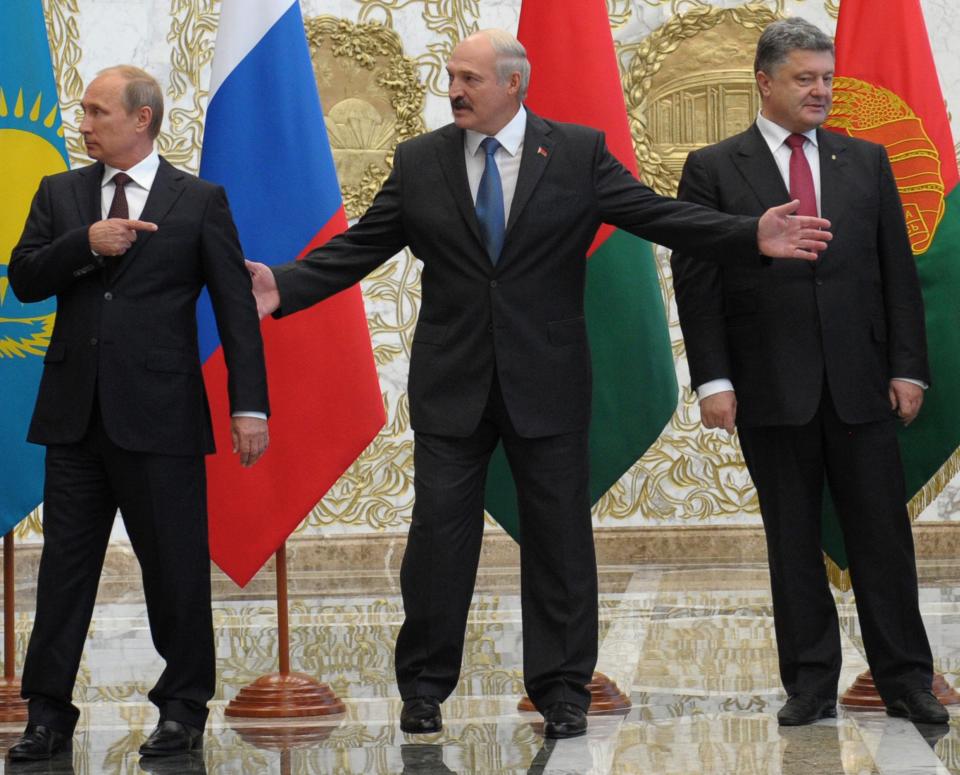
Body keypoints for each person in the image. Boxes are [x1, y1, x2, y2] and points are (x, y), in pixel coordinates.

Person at [247, 29, 830, 739]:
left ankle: (561, 690)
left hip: (547, 381)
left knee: (558, 541)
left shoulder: (577, 152)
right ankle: (425, 686)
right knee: (438, 538)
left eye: (469, 78)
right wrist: (287, 283)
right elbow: (364, 242)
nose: (454, 90)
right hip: (452, 383)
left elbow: (653, 213)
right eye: (452, 77)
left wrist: (747, 234)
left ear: (513, 84)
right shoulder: (421, 159)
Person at [671, 18, 947, 727]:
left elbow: (897, 274)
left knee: (883, 536)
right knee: (791, 537)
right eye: (805, 78)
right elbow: (698, 283)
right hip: (769, 386)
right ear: (764, 82)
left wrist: (907, 367)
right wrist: (714, 381)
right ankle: (810, 680)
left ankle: (907, 677)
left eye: (826, 76)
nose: (821, 90)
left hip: (861, 383)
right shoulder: (712, 167)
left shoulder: (867, 159)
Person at [7, 65, 270, 761]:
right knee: (64, 567)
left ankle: (183, 706)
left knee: (175, 565)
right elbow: (24, 277)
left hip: (161, 416)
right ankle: (48, 711)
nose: (84, 124)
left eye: (96, 113)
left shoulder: (199, 199)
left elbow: (235, 309)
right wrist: (83, 244)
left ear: (141, 120)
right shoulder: (61, 193)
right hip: (74, 416)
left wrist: (249, 404)